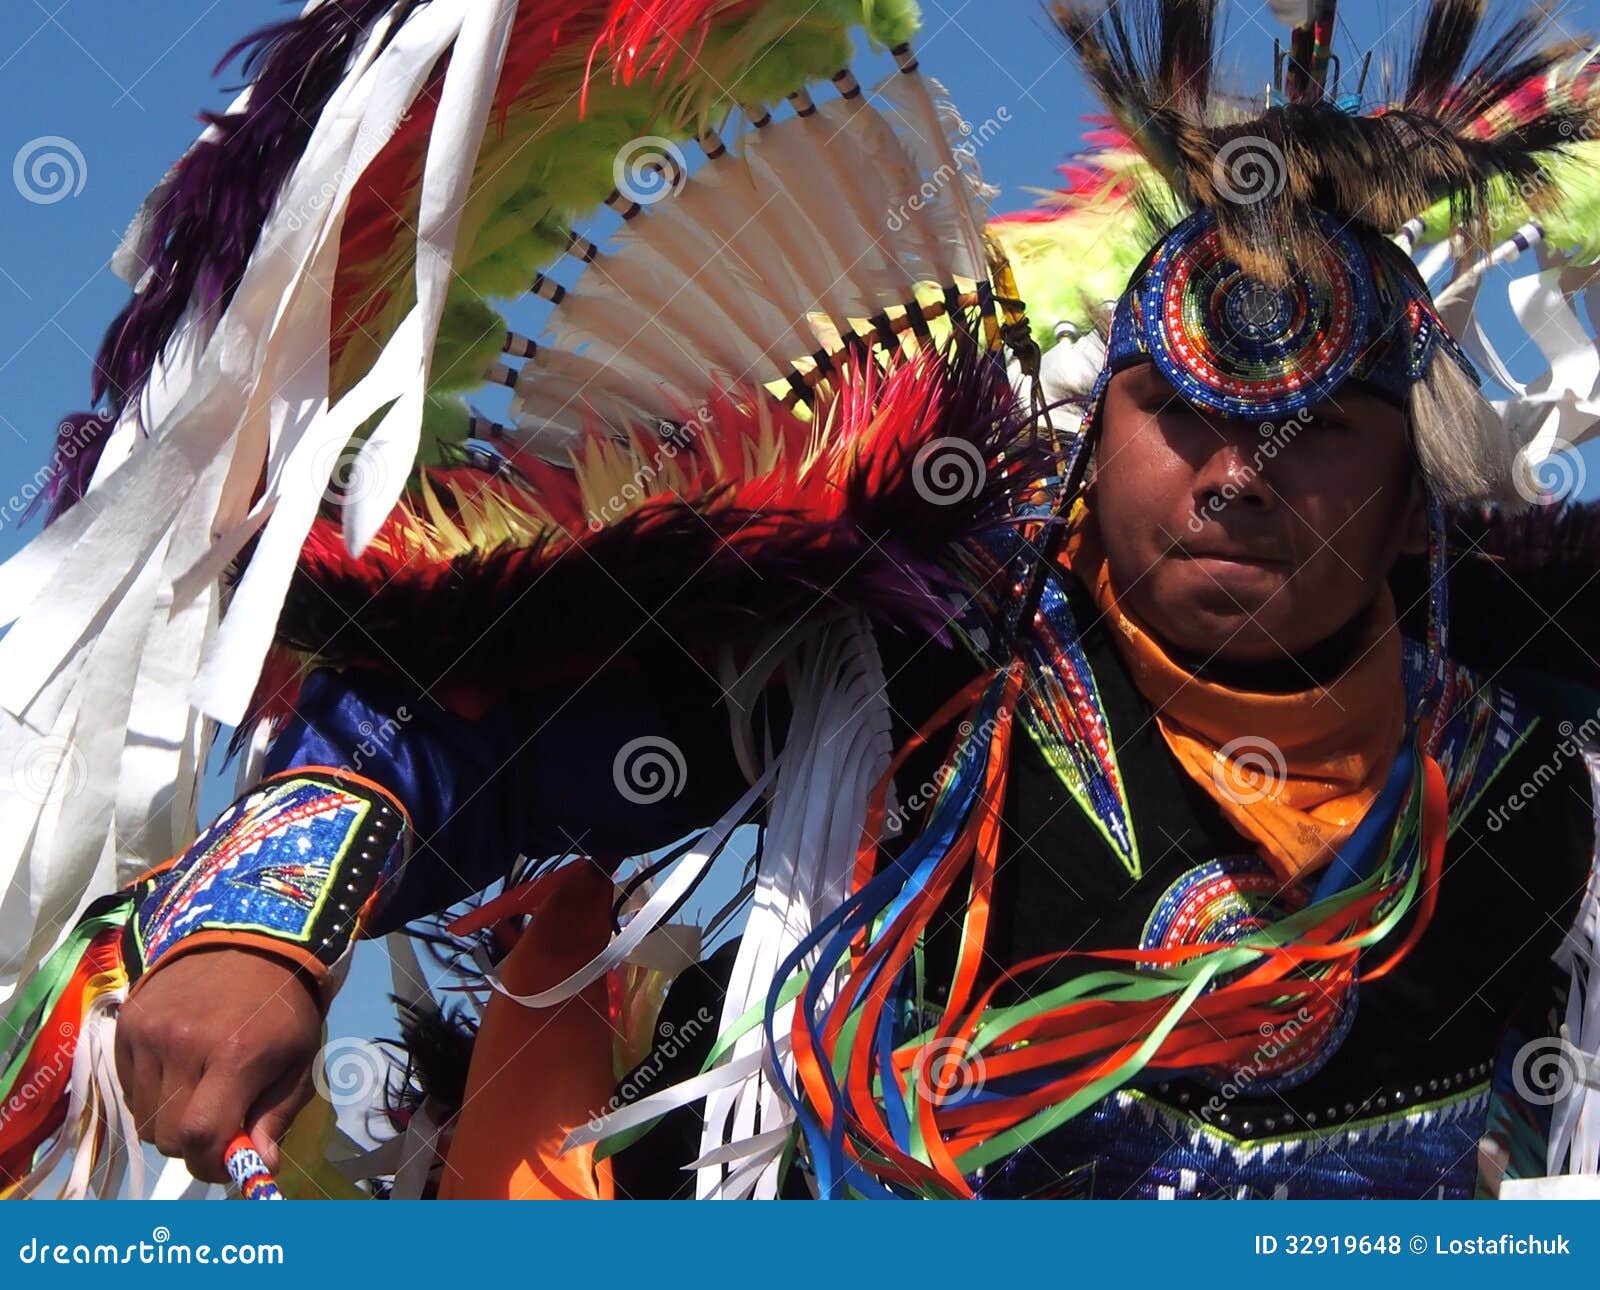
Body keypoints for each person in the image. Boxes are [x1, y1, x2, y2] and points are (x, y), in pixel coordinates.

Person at [4, 0, 1599, 1201]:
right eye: (1180, 417)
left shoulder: (1541, 776)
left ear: (1410, 505)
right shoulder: (921, 665)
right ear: (1095, 437)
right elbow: (475, 718)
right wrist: (264, 929)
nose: (1239, 477)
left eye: (1316, 435)